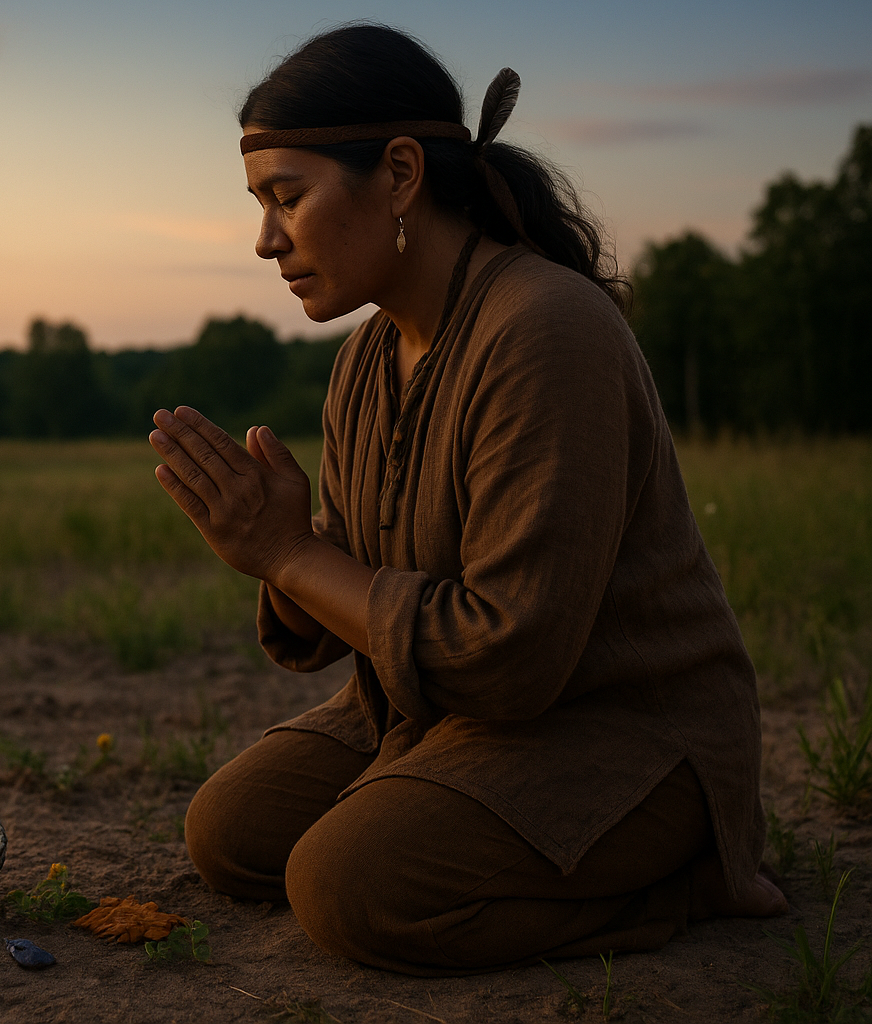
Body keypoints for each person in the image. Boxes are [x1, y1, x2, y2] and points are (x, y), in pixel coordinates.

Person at [147, 23, 786, 976]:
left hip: (618, 729)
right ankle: (435, 793)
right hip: (437, 712)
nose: (266, 239)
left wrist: (289, 555)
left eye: (288, 197)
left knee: (344, 884)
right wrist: (279, 545)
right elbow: (359, 583)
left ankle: (687, 871)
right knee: (230, 833)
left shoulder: (547, 329)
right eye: (260, 203)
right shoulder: (366, 358)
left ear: (399, 175)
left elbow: (513, 659)